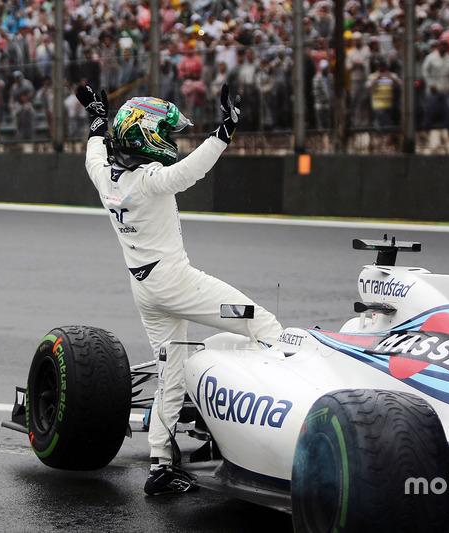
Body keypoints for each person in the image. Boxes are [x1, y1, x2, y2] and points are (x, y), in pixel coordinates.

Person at [77, 83, 283, 496]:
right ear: (147, 137)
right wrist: (225, 131)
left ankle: (160, 466)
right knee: (263, 324)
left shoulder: (104, 177)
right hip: (177, 283)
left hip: (145, 290)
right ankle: (272, 429)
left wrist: (97, 116)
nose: (170, 141)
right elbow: (190, 171)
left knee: (171, 369)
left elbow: (95, 145)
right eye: (166, 134)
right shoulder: (150, 180)